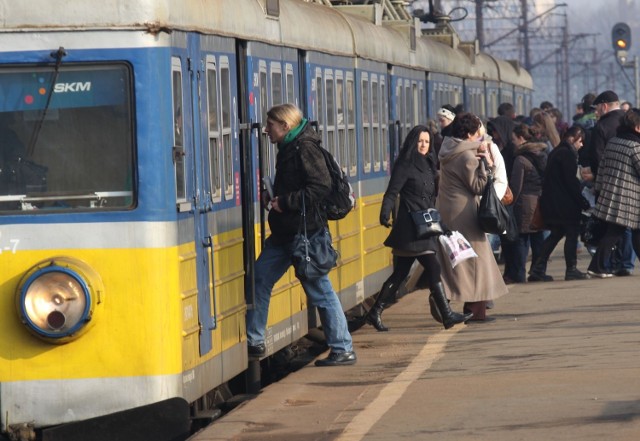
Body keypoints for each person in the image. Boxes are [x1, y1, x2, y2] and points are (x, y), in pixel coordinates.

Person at [246, 103, 356, 366]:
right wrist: (273, 197)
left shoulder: (305, 148)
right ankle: (255, 340)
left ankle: (343, 348)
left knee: (319, 289)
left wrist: (286, 202)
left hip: (305, 234)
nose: (266, 129)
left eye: (270, 124)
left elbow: (320, 187)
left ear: (285, 126)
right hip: (286, 232)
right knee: (259, 279)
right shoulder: (289, 147)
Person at [368, 125, 471, 331]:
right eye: (420, 141)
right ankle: (447, 315)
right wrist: (384, 212)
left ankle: (375, 311)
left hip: (425, 225)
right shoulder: (405, 165)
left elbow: (429, 202)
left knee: (400, 275)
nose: (423, 145)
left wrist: (442, 225)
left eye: (426, 142)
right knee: (433, 267)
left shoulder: (428, 164)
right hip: (410, 228)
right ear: (412, 143)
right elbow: (392, 192)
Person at [436, 112, 509, 322]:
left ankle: (454, 300)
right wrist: (485, 164)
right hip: (465, 212)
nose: (480, 134)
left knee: (461, 259)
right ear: (470, 133)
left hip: (449, 209)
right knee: (477, 261)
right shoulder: (467, 156)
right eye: (478, 131)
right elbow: (478, 186)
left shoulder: (449, 149)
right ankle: (474, 311)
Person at [529, 125, 591, 281]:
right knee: (571, 235)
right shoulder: (567, 154)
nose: (581, 145)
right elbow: (571, 182)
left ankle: (538, 268)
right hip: (566, 205)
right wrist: (582, 201)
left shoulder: (555, 152)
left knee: (555, 235)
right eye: (580, 141)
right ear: (573, 138)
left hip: (552, 203)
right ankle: (571, 269)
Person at [584, 90, 634, 276]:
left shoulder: (601, 126)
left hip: (610, 185)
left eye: (597, 108)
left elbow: (597, 158)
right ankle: (626, 263)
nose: (596, 112)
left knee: (615, 225)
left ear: (604, 106)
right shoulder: (630, 120)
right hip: (632, 183)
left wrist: (596, 178)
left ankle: (608, 264)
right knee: (629, 226)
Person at [507, 124, 548, 283]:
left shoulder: (521, 159)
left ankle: (519, 274)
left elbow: (516, 186)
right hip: (539, 201)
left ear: (521, 138)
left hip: (524, 204)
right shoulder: (542, 154)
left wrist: (509, 203)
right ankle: (538, 272)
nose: (513, 142)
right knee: (538, 239)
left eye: (514, 139)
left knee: (522, 241)